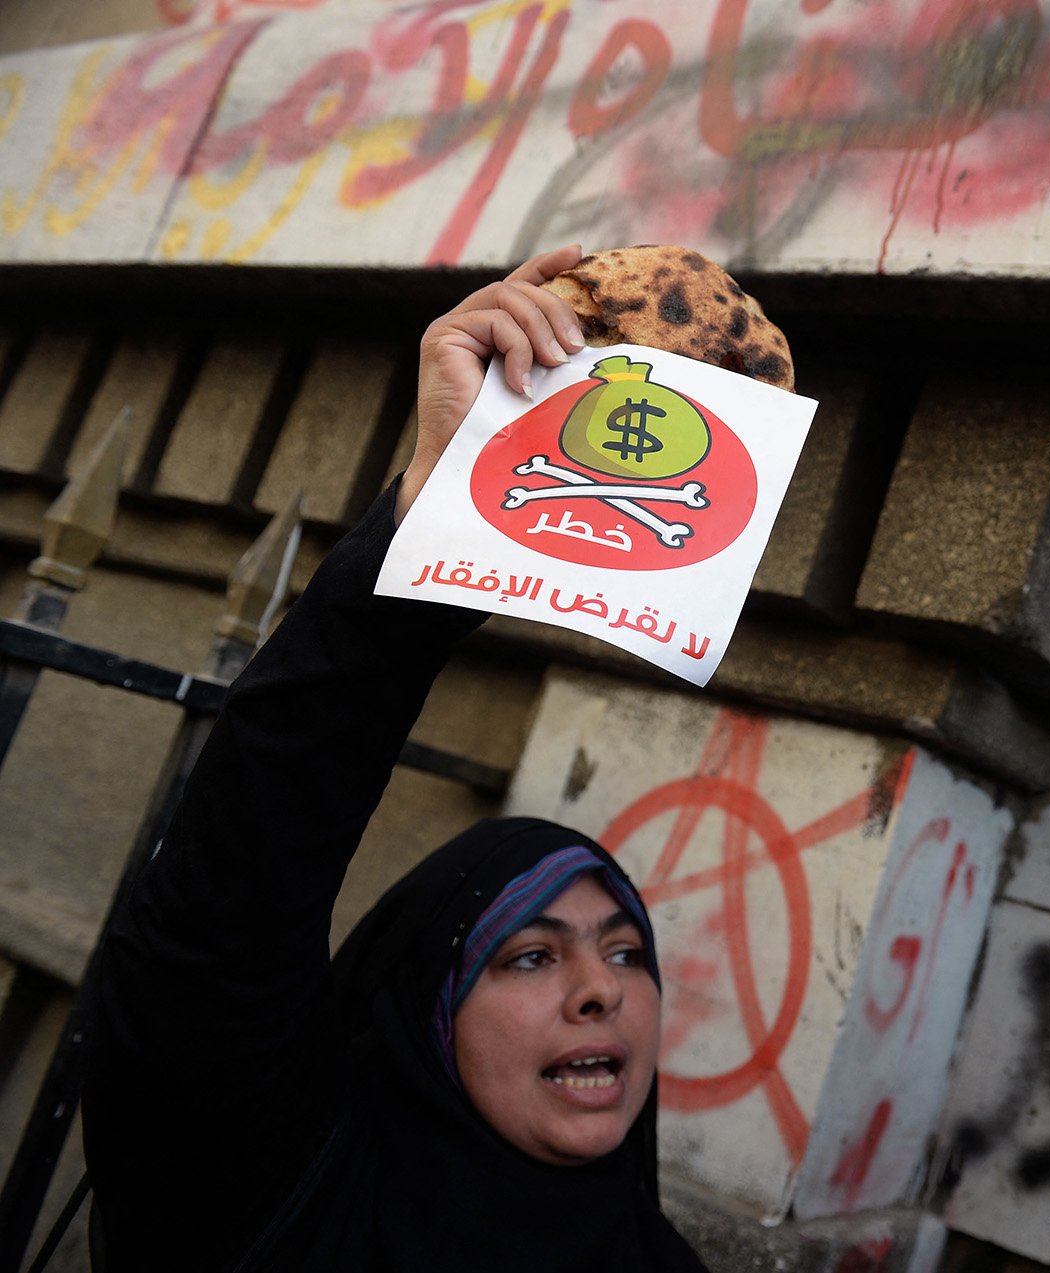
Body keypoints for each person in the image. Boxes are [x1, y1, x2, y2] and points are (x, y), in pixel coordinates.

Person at [83, 247, 711, 1272]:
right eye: (532, 953)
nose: (602, 990)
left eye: (627, 951)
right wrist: (448, 501)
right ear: (425, 1006)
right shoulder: (273, 1186)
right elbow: (234, 889)